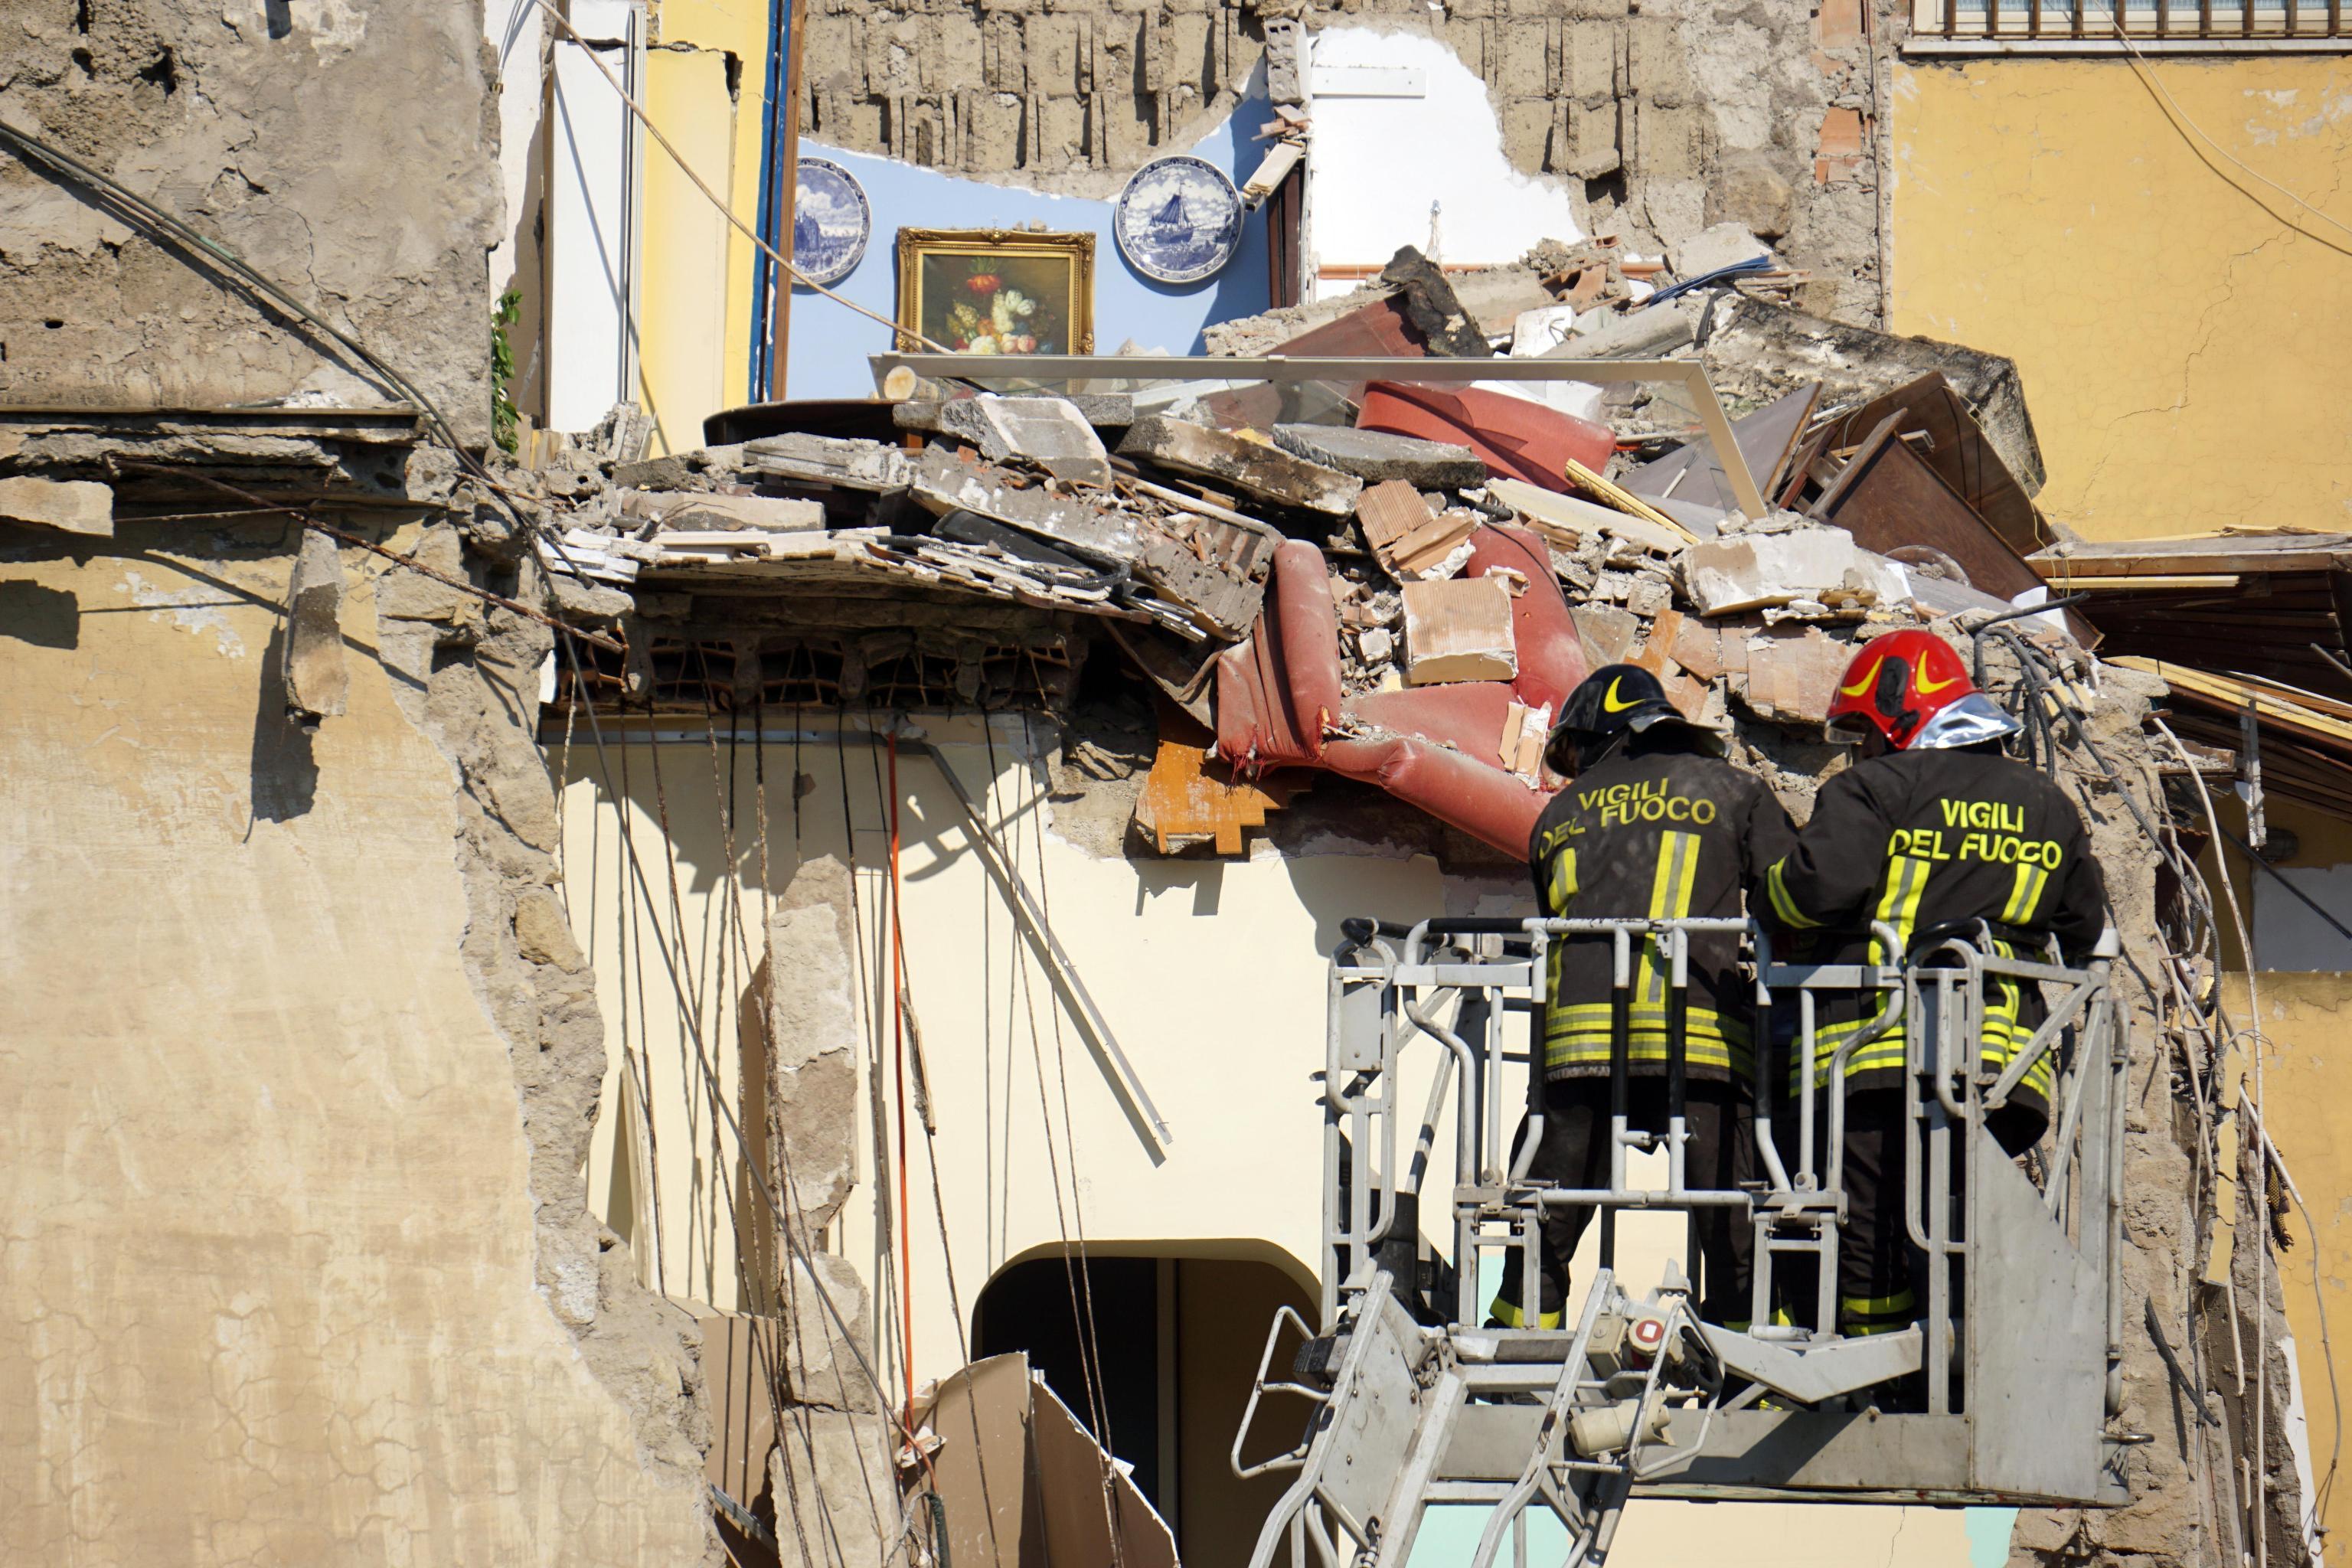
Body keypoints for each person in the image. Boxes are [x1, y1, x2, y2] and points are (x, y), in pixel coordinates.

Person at [1759, 629, 2108, 1342]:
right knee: (1955, 1223)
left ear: (1896, 713)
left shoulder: (1875, 789)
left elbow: (1815, 891)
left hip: (1877, 1053)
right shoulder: (2050, 806)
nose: (1861, 749)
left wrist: (1768, 893)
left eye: (1865, 734)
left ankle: (1878, 1378)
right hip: (2006, 1067)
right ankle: (1958, 1352)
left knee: (1868, 1229)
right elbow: (2087, 932)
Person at [1491, 665, 1796, 1329]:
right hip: (1704, 1042)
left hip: (1580, 1047)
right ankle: (1757, 1368)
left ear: (1601, 736)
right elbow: (1794, 906)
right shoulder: (1736, 791)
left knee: (1545, 1214)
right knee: (1736, 1219)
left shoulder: (1559, 813)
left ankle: (1519, 1347)